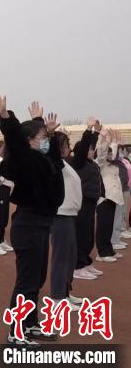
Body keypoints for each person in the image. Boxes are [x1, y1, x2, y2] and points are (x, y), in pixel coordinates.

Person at [0, 95, 65, 346]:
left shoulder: (42, 159)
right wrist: (5, 116)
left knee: (38, 278)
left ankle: (31, 324)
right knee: (28, 280)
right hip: (28, 224)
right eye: (42, 138)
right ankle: (16, 331)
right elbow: (16, 141)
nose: (46, 141)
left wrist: (43, 126)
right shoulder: (25, 158)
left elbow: (55, 161)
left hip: (41, 223)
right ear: (29, 141)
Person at [49, 131, 82, 311]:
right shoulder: (56, 163)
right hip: (61, 214)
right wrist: (54, 137)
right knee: (61, 257)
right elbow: (52, 152)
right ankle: (57, 297)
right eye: (66, 145)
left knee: (70, 256)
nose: (69, 148)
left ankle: (65, 292)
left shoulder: (66, 164)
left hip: (69, 214)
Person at [71, 118, 104, 280]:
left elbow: (90, 146)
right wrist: (89, 129)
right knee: (82, 235)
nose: (93, 151)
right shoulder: (78, 162)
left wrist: (96, 132)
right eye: (90, 149)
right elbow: (84, 147)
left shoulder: (91, 163)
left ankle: (86, 262)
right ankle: (78, 266)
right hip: (82, 203)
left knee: (89, 236)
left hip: (91, 203)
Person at [95, 129, 124, 262]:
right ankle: (102, 253)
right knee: (103, 226)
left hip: (113, 198)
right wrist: (103, 139)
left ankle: (109, 250)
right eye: (109, 153)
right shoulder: (100, 164)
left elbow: (113, 155)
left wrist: (115, 142)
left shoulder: (112, 164)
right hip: (104, 199)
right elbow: (102, 153)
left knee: (109, 226)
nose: (111, 155)